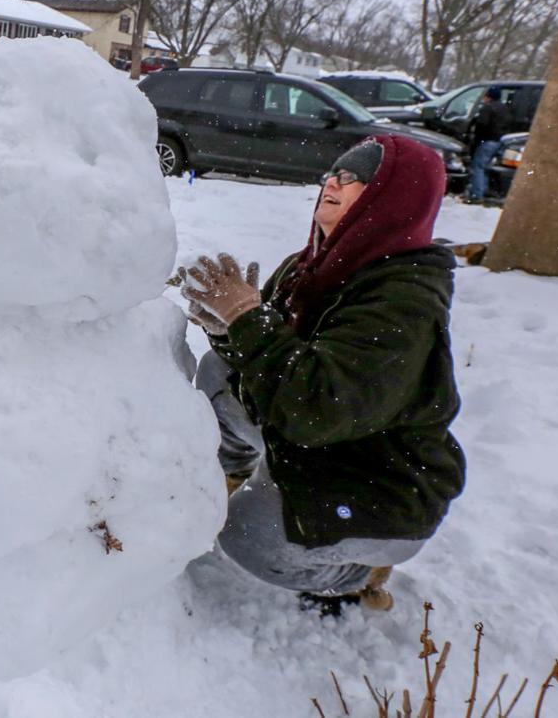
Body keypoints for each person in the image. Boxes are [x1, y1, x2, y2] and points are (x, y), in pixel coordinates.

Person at [181, 135, 466, 617]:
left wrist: (248, 318)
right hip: (320, 443)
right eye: (333, 173)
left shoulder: (404, 302)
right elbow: (270, 363)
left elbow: (316, 408)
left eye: (355, 177)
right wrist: (229, 330)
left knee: (249, 539)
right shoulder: (309, 267)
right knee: (220, 372)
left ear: (392, 197)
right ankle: (224, 479)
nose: (333, 181)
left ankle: (357, 574)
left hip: (378, 482)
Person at [464, 86, 511, 204]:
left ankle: (477, 194)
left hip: (487, 141)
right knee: (485, 167)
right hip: (499, 141)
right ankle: (483, 189)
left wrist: (475, 141)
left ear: (489, 97)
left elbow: (481, 126)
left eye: (486, 96)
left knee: (478, 167)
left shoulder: (487, 109)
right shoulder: (504, 108)